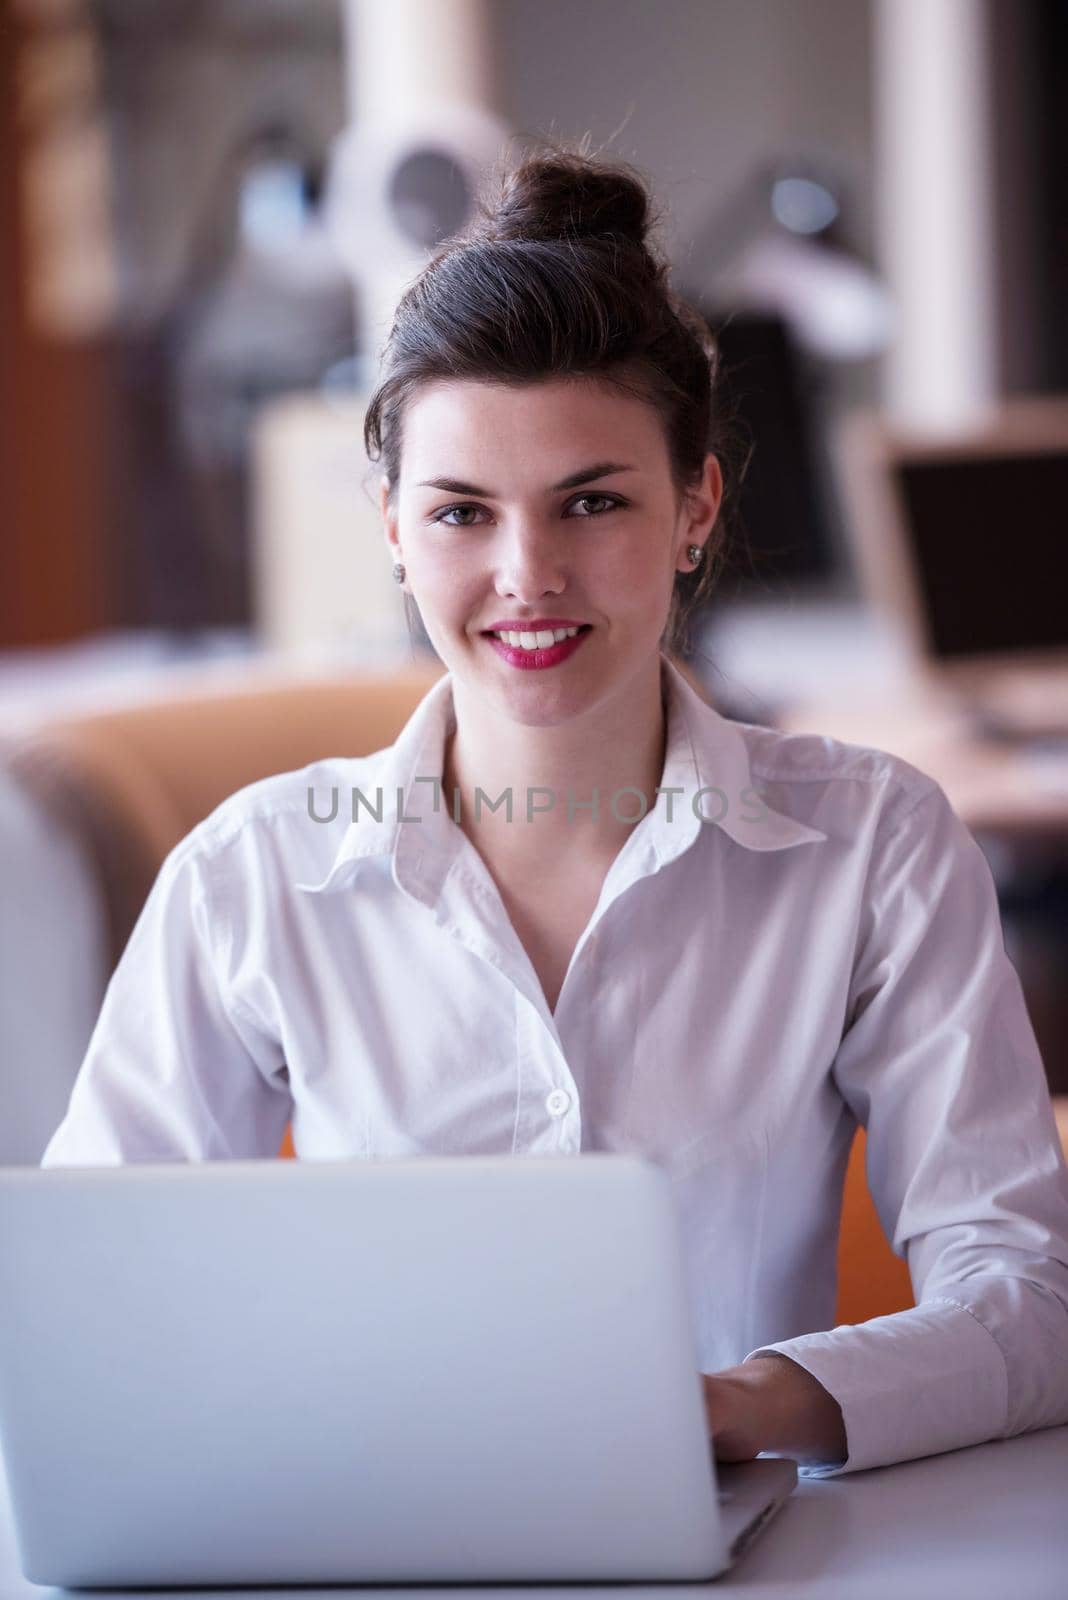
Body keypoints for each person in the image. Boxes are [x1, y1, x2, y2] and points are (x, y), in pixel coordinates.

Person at [41, 143, 1068, 1478]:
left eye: (593, 502)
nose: (528, 576)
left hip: (749, 1546)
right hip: (365, 1530)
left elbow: (1029, 1300)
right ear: (397, 531)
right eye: (464, 511)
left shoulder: (873, 847)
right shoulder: (251, 874)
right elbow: (93, 1300)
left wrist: (735, 1406)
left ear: (695, 505)